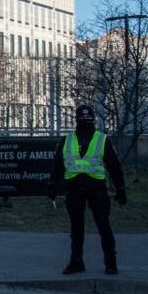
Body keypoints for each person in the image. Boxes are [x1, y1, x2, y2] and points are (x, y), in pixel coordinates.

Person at [48, 105, 126, 276]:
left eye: (86, 119)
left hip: (96, 189)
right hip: (74, 190)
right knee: (76, 228)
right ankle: (77, 262)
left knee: (103, 225)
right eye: (82, 120)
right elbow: (58, 165)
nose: (84, 122)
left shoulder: (102, 139)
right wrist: (52, 184)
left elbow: (114, 166)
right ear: (77, 120)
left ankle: (110, 262)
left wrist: (120, 188)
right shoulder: (67, 140)